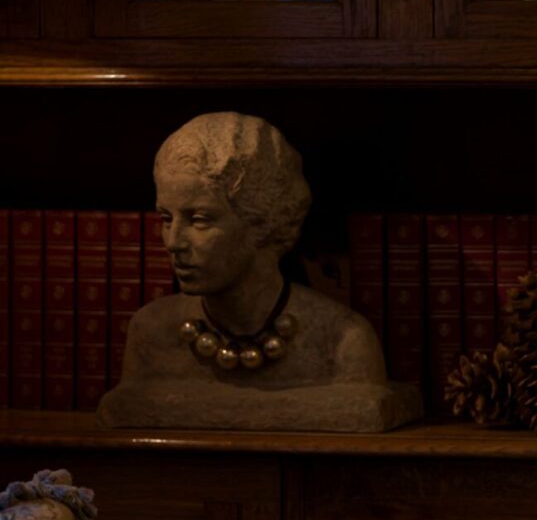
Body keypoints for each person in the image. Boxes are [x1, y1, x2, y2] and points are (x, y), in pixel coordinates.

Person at [97, 112, 421, 432]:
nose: (173, 242)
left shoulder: (343, 342)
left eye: (199, 220)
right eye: (166, 219)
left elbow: (366, 409)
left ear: (262, 222)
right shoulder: (151, 333)